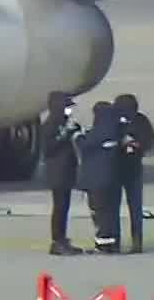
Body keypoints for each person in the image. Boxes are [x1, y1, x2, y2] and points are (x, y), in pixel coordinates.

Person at [74, 100, 122, 253]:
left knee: (99, 212)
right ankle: (112, 243)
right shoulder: (115, 131)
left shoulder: (99, 132)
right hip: (111, 179)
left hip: (96, 180)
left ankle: (102, 244)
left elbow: (84, 144)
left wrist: (77, 134)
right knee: (110, 212)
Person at [41, 91, 85, 256]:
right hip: (57, 173)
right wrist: (65, 134)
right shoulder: (50, 125)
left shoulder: (64, 123)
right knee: (59, 208)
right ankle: (57, 241)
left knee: (64, 208)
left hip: (67, 171)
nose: (69, 111)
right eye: (67, 108)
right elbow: (48, 148)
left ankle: (63, 239)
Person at [113, 93, 154, 254]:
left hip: (131, 169)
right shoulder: (114, 119)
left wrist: (137, 144)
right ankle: (116, 241)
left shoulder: (140, 120)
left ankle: (136, 242)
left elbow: (150, 140)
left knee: (135, 209)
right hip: (118, 169)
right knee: (115, 209)